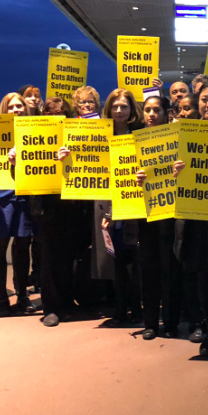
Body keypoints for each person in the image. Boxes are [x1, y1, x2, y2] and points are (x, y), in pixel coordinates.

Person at [173, 81, 208, 357]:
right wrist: (176, 171)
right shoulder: (184, 135)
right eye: (205, 100)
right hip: (197, 219)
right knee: (204, 278)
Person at [18, 96, 84, 327]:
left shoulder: (75, 138)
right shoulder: (33, 136)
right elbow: (21, 175)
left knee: (67, 256)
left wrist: (70, 159)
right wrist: (14, 160)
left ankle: (66, 302)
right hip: (43, 205)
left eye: (61, 116)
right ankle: (51, 307)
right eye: (51, 116)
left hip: (69, 203)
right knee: (47, 258)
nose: (56, 120)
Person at [90, 88, 143, 325]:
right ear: (108, 109)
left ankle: (138, 310)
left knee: (135, 260)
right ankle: (121, 310)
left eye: (124, 106)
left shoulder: (141, 134)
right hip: (107, 203)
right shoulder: (100, 135)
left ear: (132, 109)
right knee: (116, 258)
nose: (119, 110)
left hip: (136, 202)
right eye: (115, 106)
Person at [135, 94, 180, 340]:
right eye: (148, 110)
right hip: (145, 213)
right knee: (148, 269)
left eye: (156, 111)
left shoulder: (177, 140)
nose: (151, 114)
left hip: (170, 213)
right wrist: (136, 177)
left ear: (165, 114)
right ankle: (151, 322)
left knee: (170, 269)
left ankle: (171, 322)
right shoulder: (134, 140)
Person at [0, 92, 36, 317]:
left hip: (25, 194)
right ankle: (2, 297)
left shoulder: (34, 131)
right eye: (12, 106)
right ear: (4, 109)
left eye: (20, 106)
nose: (16, 110)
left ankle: (23, 294)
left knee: (23, 247)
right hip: (1, 196)